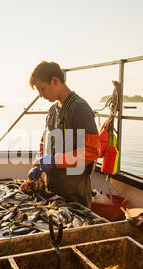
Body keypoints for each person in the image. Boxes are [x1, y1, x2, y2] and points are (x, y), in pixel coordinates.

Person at [28, 61, 100, 208]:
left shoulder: (79, 109)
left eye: (42, 89)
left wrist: (55, 160)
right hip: (52, 191)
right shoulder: (52, 111)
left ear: (55, 81)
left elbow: (91, 151)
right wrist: (38, 164)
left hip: (74, 195)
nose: (41, 95)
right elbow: (44, 143)